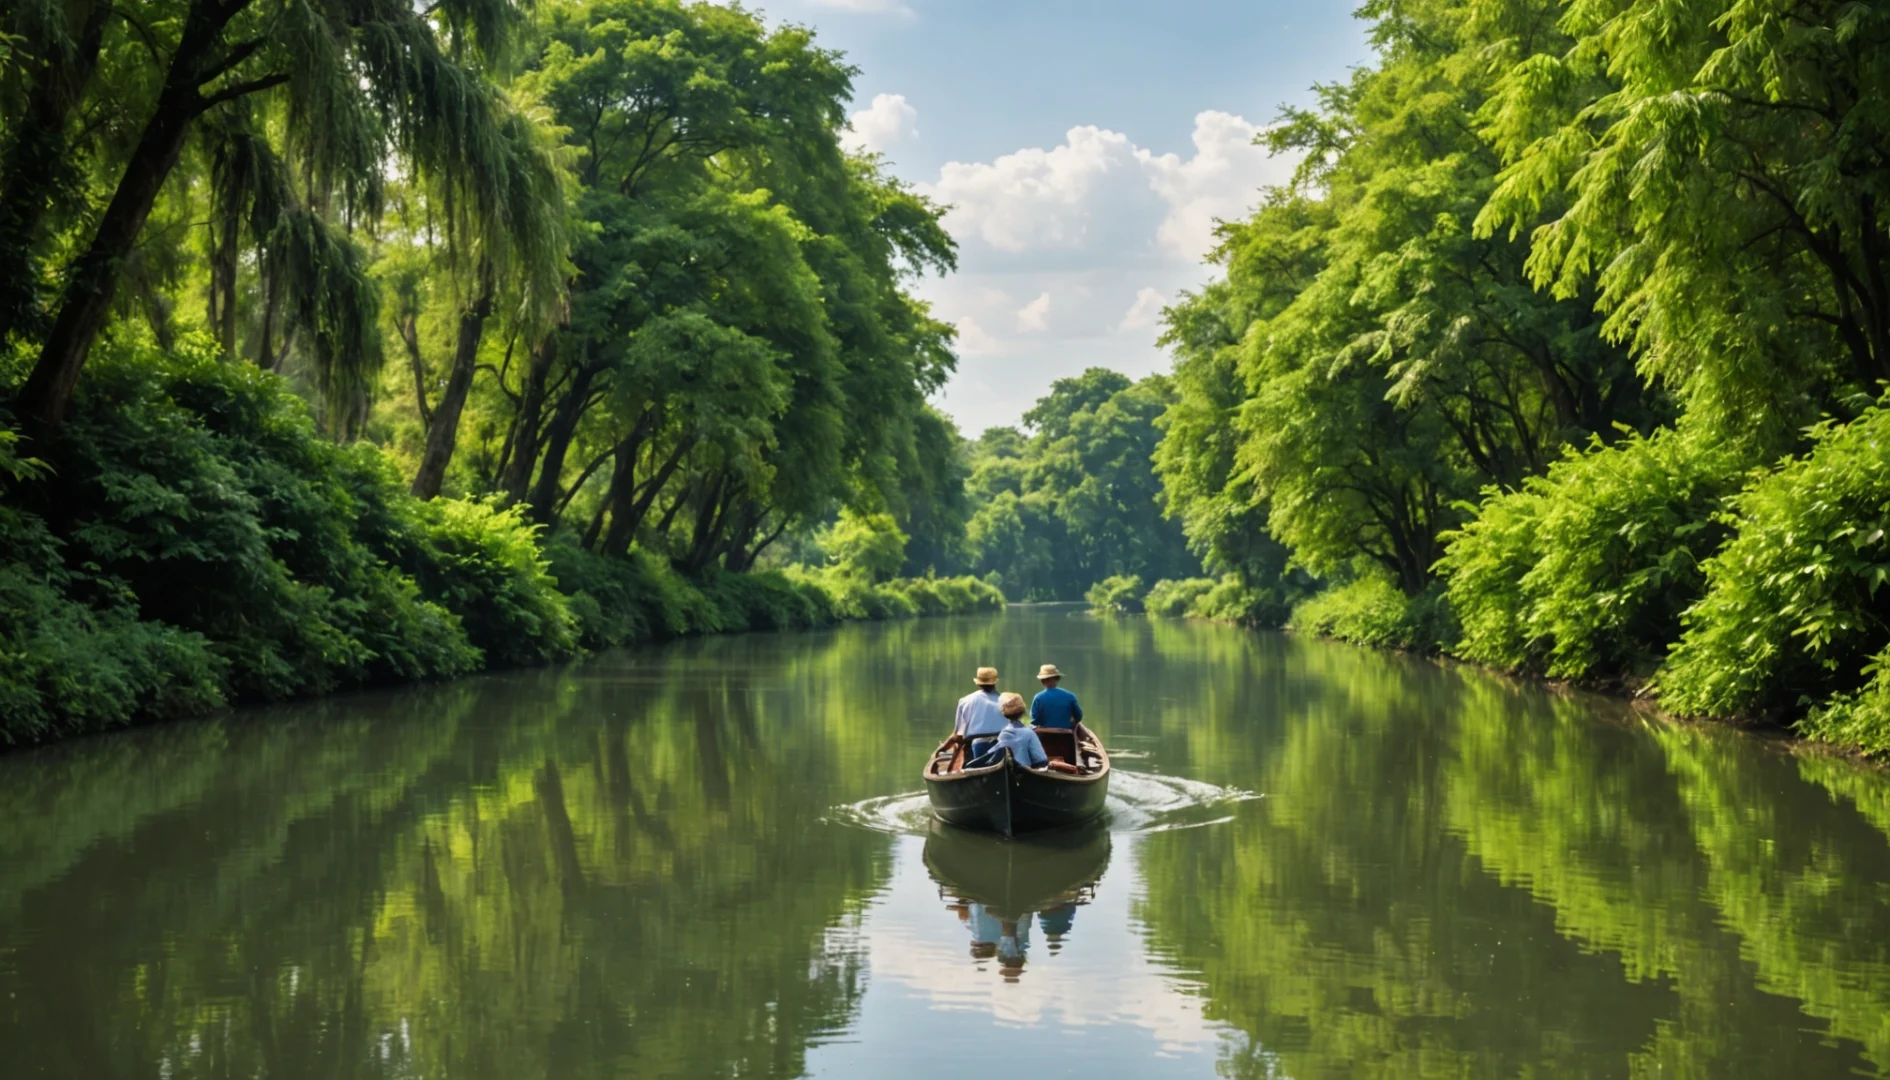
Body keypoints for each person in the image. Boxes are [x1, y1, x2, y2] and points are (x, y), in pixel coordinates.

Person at [946, 667, 1006, 768]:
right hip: (1001, 748)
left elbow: (958, 736)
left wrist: (945, 746)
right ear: (995, 682)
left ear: (978, 683)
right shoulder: (1006, 701)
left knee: (967, 747)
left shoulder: (965, 701)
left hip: (978, 745)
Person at [1030, 663, 1083, 730]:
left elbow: (1034, 720)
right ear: (1057, 679)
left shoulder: (1038, 698)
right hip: (1066, 735)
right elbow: (1079, 717)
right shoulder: (1070, 696)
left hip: (1045, 735)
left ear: (1042, 681)